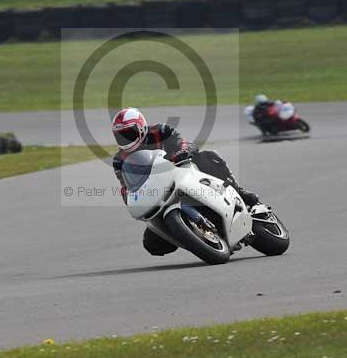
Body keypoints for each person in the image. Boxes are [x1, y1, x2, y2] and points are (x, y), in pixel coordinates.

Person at [111, 107, 261, 256]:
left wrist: (183, 152)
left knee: (208, 156)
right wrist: (129, 197)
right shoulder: (119, 159)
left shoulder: (161, 130)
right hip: (157, 192)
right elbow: (126, 184)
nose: (126, 139)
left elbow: (185, 144)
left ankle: (239, 191)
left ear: (141, 128)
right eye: (121, 136)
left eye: (129, 133)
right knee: (152, 245)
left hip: (182, 172)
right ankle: (193, 236)